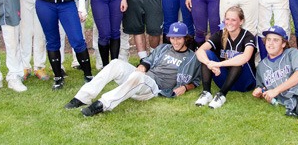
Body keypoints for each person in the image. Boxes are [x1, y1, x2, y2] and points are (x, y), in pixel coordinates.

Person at [64, 22, 201, 117]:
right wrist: (142, 66)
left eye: (179, 38)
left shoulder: (192, 58)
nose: (175, 42)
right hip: (141, 79)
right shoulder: (163, 48)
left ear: (186, 39)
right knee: (116, 63)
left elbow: (196, 80)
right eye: (172, 38)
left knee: (139, 77)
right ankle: (82, 97)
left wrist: (185, 88)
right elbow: (148, 60)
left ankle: (102, 104)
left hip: (153, 87)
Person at [194, 6, 256, 109]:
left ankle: (222, 95)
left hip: (245, 82)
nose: (229, 22)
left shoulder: (248, 36)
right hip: (225, 79)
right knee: (207, 54)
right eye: (227, 19)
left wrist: (218, 64)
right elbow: (200, 51)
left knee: (237, 58)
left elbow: (245, 57)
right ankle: (206, 93)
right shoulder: (220, 34)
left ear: (241, 21)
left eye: (233, 20)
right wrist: (209, 63)